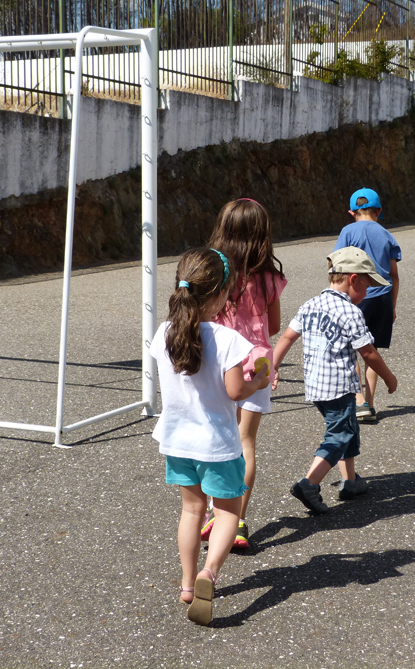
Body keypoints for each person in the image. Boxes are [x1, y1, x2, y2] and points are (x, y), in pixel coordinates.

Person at [149, 248, 270, 625]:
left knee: (190, 511)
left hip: (177, 441)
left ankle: (187, 584)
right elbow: (236, 391)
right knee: (227, 512)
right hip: (217, 444)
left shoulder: (164, 332)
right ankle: (209, 573)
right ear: (221, 295)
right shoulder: (227, 339)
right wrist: (262, 376)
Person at [271, 246, 398, 514]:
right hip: (339, 386)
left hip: (316, 386)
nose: (367, 293)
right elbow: (368, 352)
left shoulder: (310, 304)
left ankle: (350, 481)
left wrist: (273, 366)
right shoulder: (351, 313)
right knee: (339, 434)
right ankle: (309, 483)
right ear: (353, 279)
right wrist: (389, 377)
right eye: (367, 286)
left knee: (348, 427)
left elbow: (286, 337)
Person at [206, 198, 288, 549]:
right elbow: (273, 325)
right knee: (246, 442)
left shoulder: (213, 271)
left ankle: (214, 514)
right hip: (258, 362)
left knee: (217, 437)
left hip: (220, 360)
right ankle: (237, 522)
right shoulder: (270, 277)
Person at [334, 188, 401, 423]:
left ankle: (359, 400)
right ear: (379, 211)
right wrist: (392, 306)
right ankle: (370, 405)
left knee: (352, 349)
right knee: (372, 350)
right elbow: (394, 274)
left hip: (357, 296)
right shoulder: (387, 235)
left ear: (352, 212)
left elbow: (338, 264)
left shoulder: (348, 230)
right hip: (383, 296)